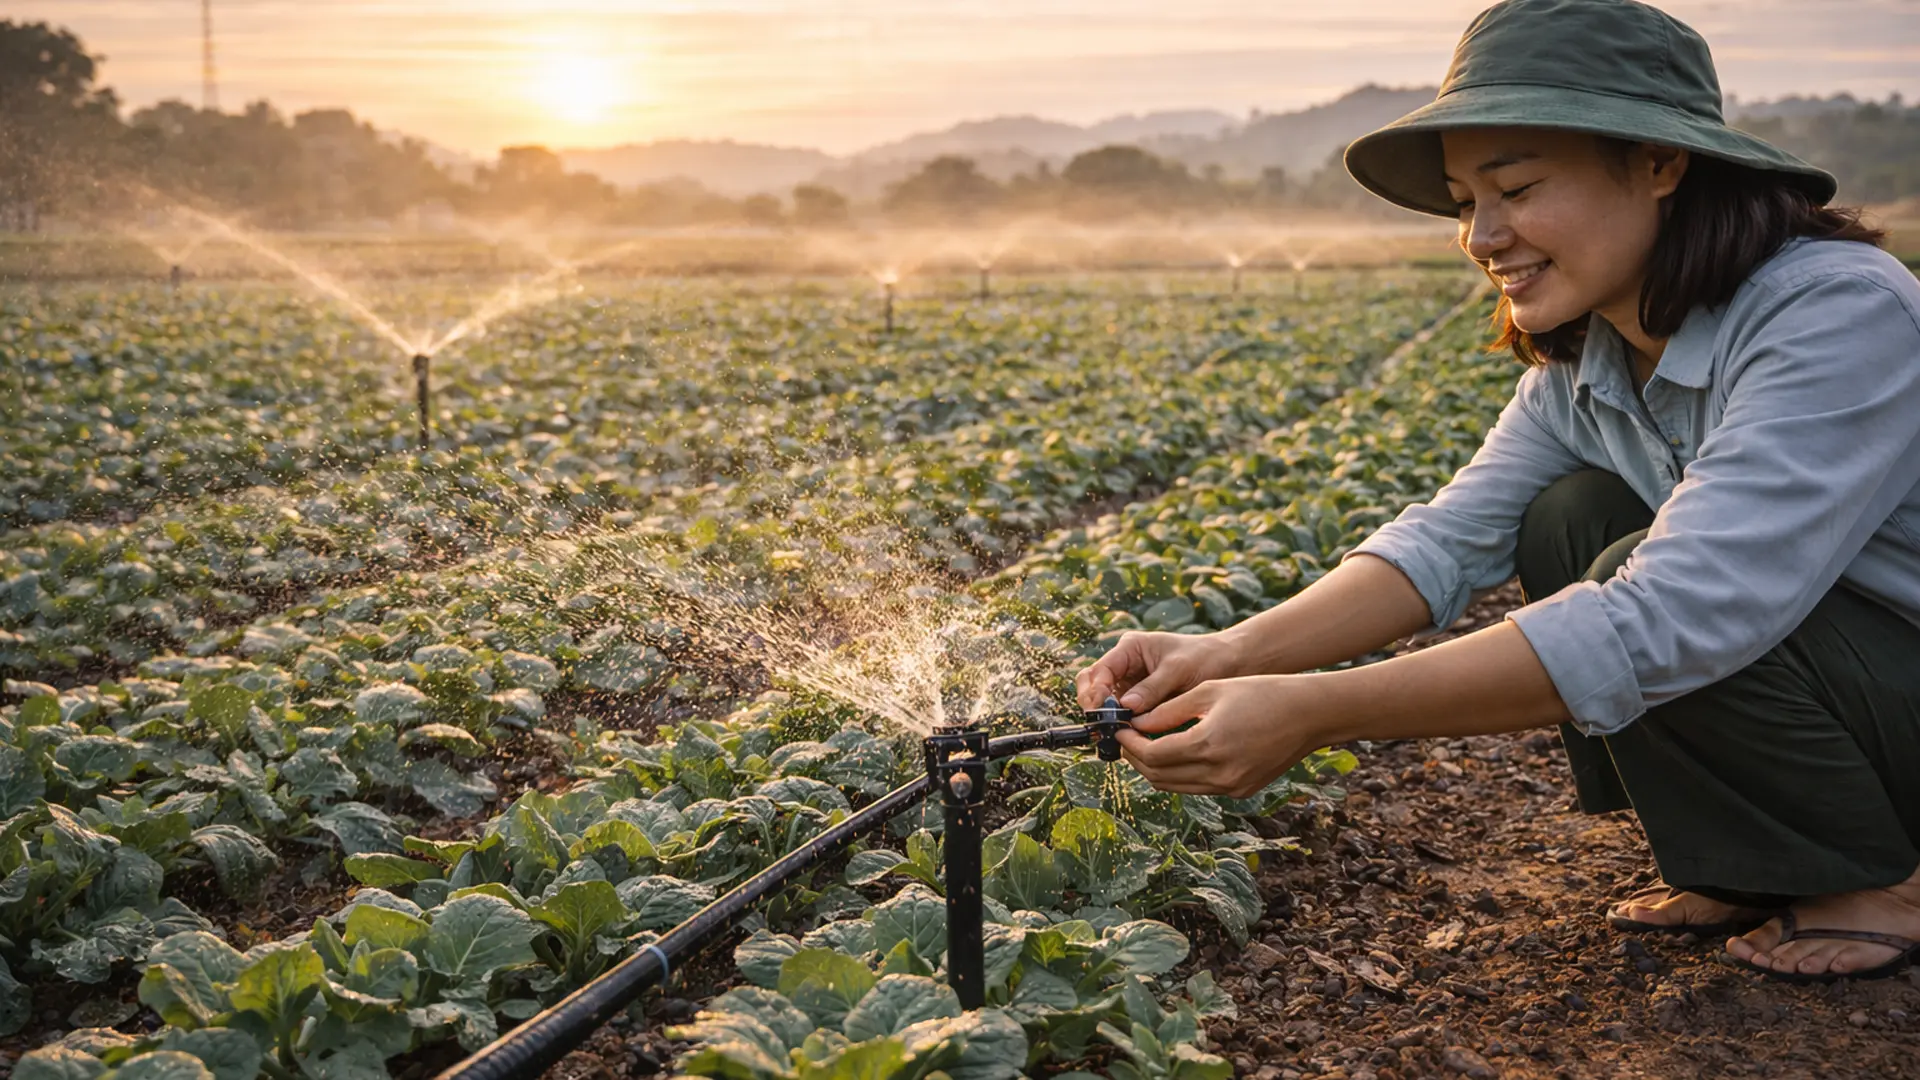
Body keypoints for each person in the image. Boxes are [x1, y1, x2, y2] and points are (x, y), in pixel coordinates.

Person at [1077, 0, 1920, 984]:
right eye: (1463, 201)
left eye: (1515, 188)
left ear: (1660, 163)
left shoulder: (1836, 314)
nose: (1483, 236)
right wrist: (1227, 649)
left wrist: (1315, 710)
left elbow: (1682, 610)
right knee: (1571, 518)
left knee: (1629, 571)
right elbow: (1445, 541)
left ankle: (1886, 882)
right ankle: (1755, 860)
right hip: (1862, 684)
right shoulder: (1591, 364)